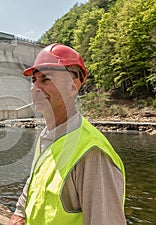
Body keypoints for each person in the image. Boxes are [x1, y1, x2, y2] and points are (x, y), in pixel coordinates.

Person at [8, 43, 126, 225]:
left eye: (46, 79)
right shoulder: (47, 135)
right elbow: (36, 180)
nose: (35, 88)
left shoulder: (92, 152)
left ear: (73, 87)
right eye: (34, 80)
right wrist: (20, 212)